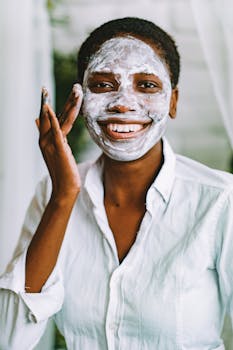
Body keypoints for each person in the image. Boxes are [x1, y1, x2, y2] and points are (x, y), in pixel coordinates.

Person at [0, 16, 233, 350]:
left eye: (146, 85)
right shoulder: (52, 196)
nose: (123, 102)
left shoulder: (221, 201)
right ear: (78, 101)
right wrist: (63, 197)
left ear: (173, 101)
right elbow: (9, 338)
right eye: (103, 84)